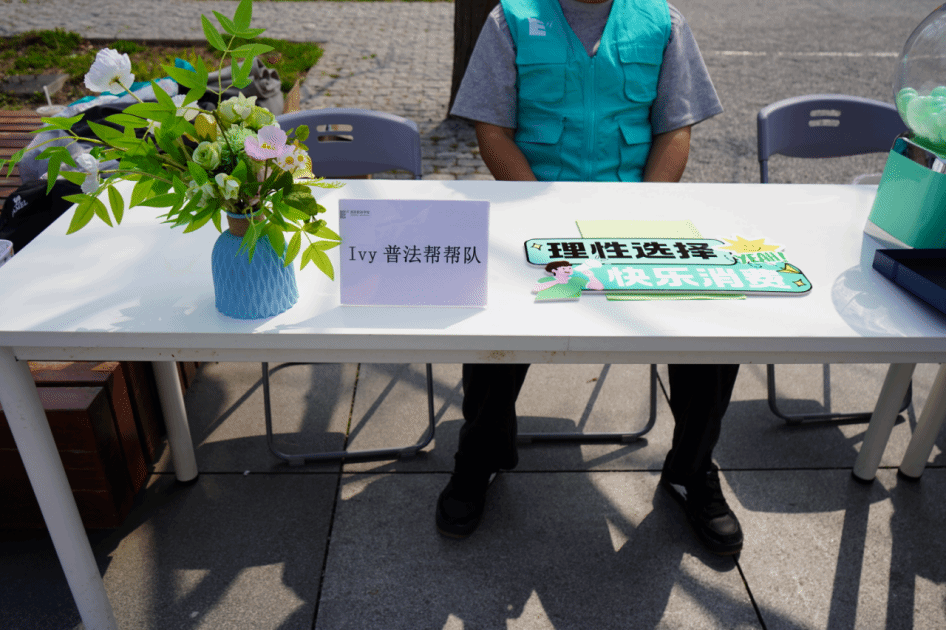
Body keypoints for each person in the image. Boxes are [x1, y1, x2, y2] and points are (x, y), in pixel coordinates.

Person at [438, 0, 743, 555]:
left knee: (712, 328)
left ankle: (691, 468)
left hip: (634, 225)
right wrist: (539, 216)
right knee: (489, 324)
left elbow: (675, 130)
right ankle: (480, 455)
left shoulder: (662, 22)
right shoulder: (511, 19)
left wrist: (642, 219)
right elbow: (493, 130)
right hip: (531, 220)